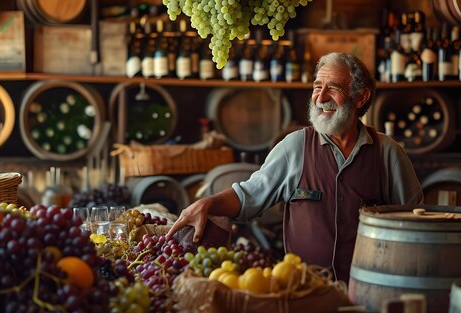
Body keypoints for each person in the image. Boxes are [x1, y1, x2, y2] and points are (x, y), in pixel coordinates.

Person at [167, 52, 423, 282]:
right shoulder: (295, 146)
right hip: (303, 291)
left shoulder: (387, 152)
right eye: (317, 87)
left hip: (371, 291)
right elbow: (249, 195)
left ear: (360, 97)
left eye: (332, 88)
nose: (320, 98)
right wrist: (207, 203)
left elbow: (415, 226)